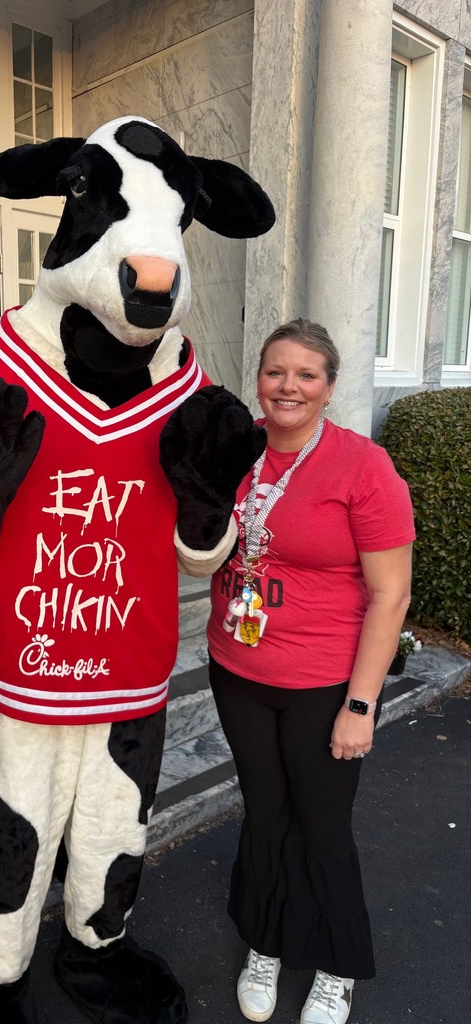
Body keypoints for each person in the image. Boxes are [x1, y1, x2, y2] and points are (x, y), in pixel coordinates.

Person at [206, 319, 414, 1024]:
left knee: (322, 826)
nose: (287, 386)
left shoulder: (363, 467)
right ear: (258, 380)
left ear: (329, 387)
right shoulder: (235, 453)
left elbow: (392, 594)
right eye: (275, 372)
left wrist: (360, 706)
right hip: (238, 666)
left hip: (325, 681)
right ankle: (264, 942)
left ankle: (335, 965)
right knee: (266, 815)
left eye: (306, 374)